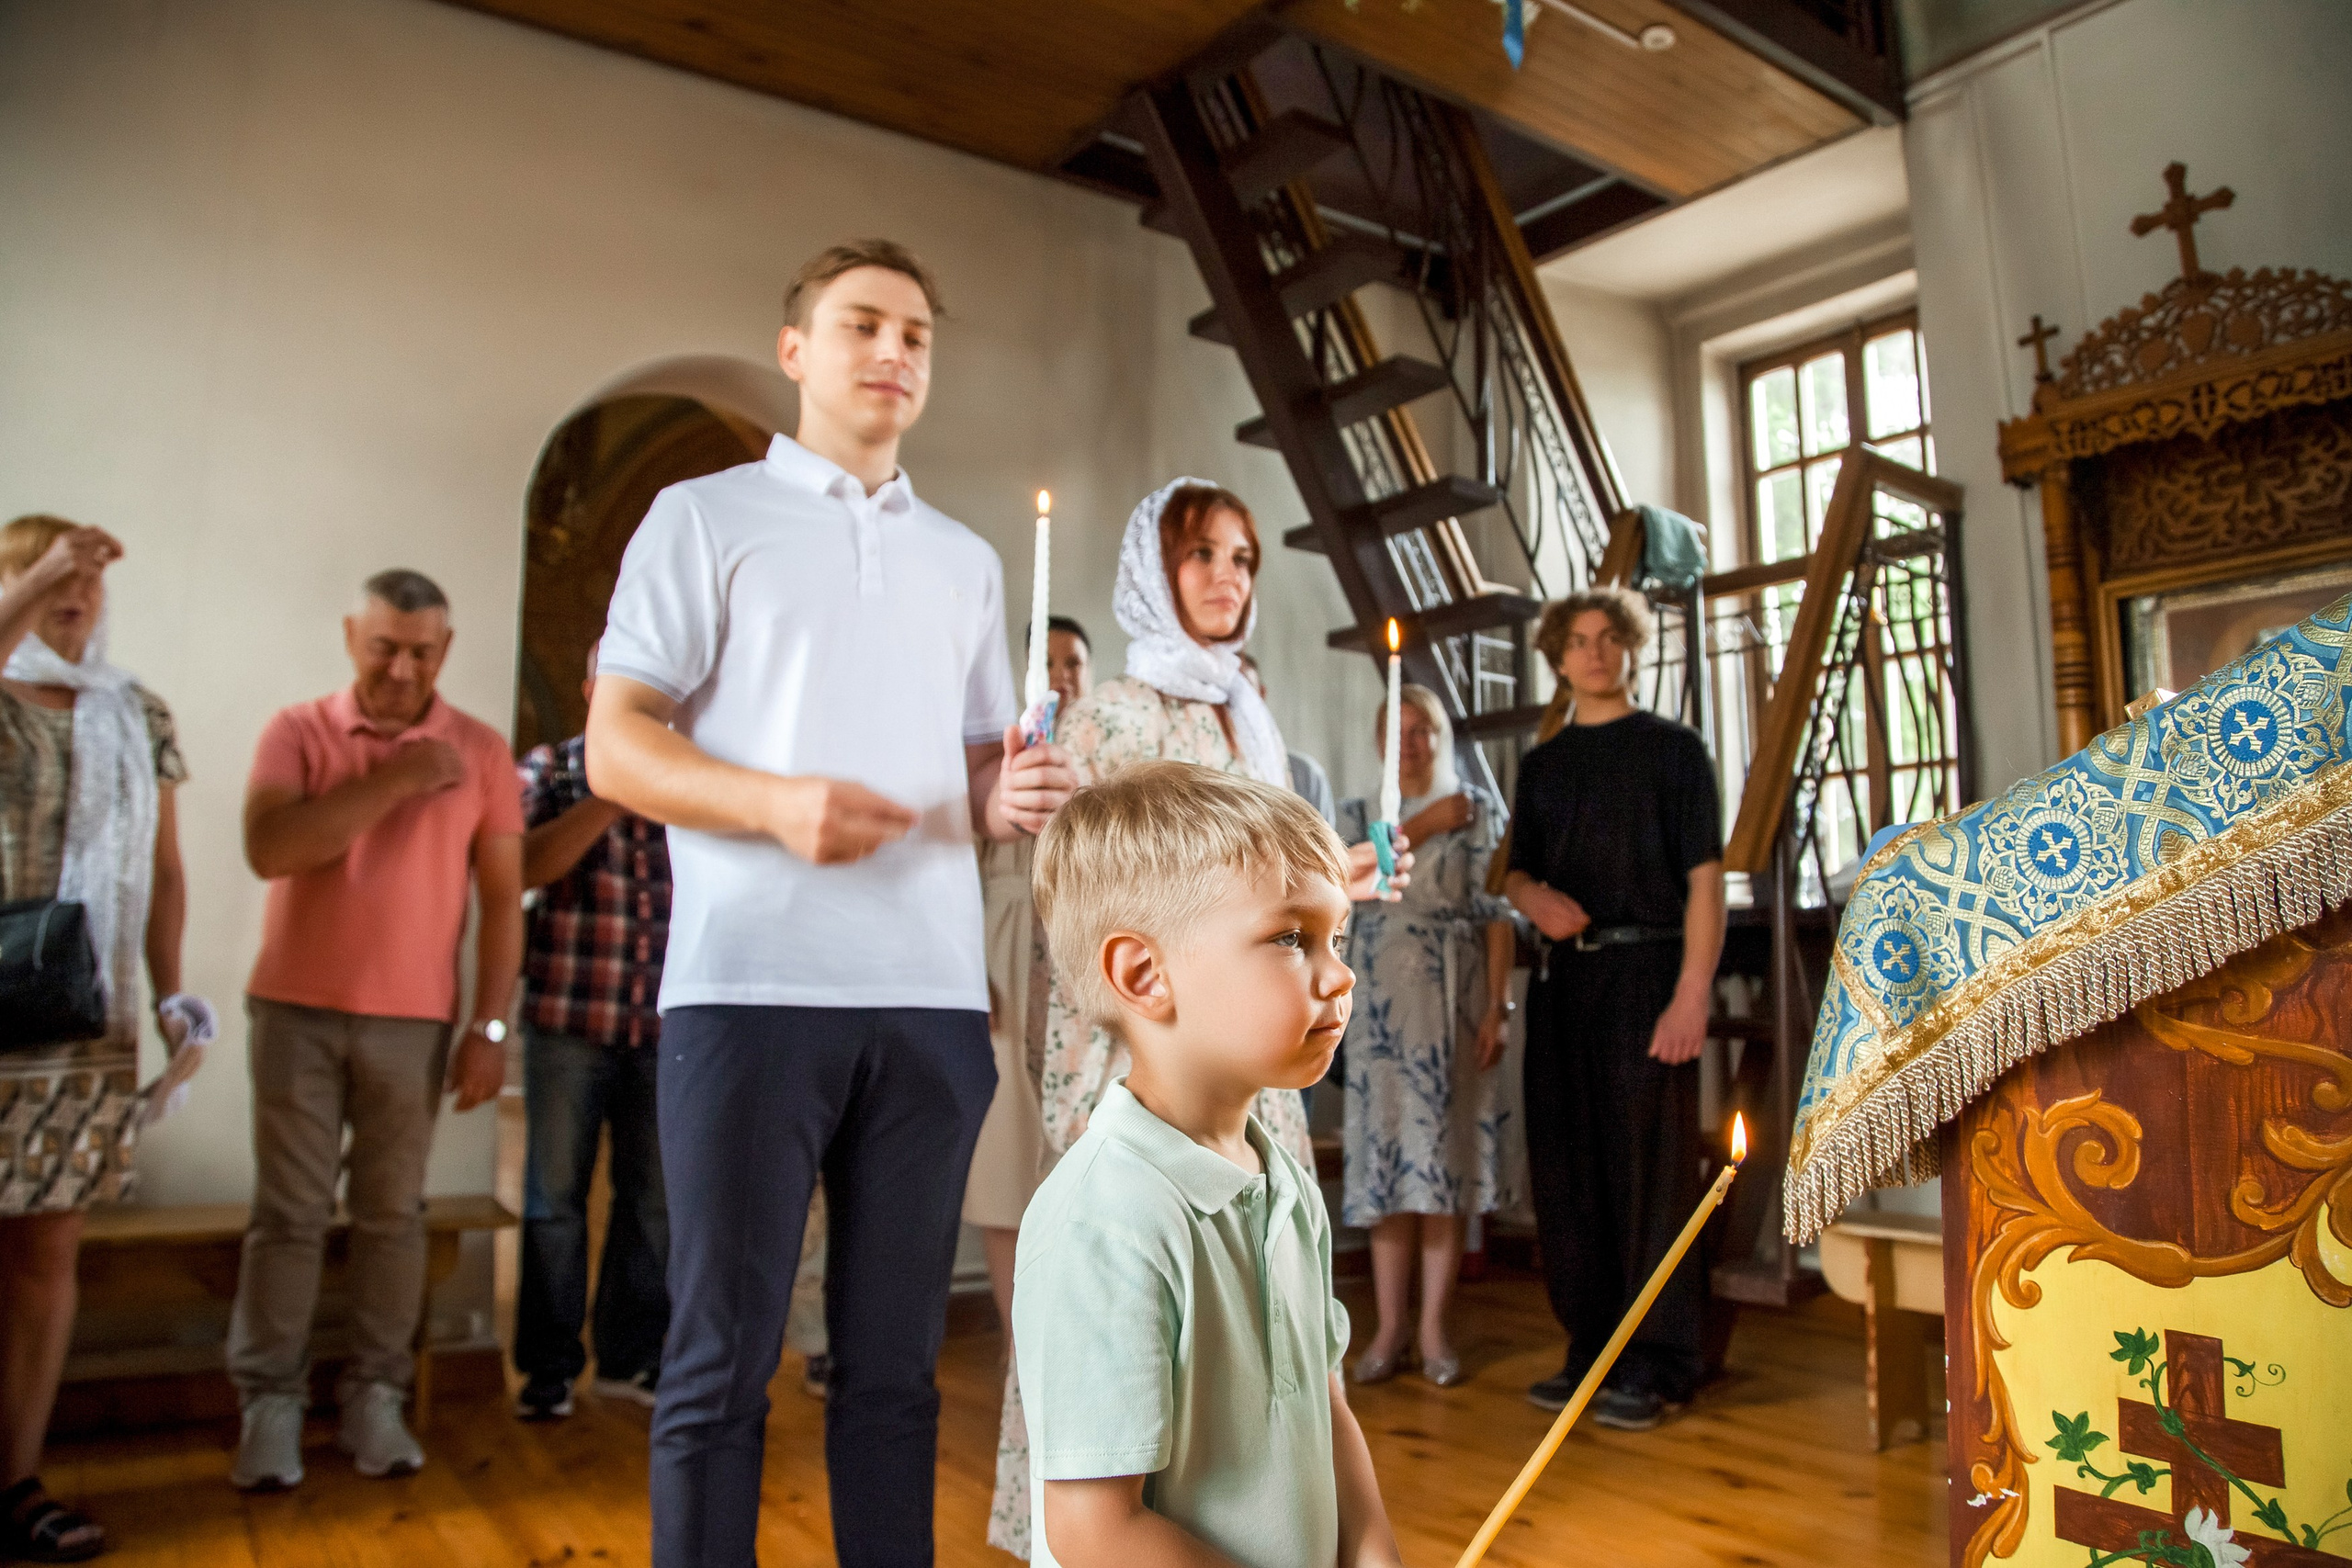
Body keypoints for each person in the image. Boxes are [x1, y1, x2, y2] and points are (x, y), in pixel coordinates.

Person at [584, 238, 1075, 1568]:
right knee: (721, 1364)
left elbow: (972, 774)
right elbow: (616, 746)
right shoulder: (703, 516)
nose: (894, 351)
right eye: (862, 324)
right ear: (796, 350)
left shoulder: (967, 559)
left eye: (916, 333)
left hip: (929, 1002)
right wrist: (772, 802)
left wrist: (1008, 795)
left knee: (897, 1373)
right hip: (751, 987)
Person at [992, 479, 1405, 1559]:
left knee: (1257, 1355)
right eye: (1202, 554)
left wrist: (1327, 894)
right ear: (1154, 572)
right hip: (1158, 1056)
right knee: (1149, 1354)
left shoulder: (1246, 707)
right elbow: (1108, 887)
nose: (1227, 576)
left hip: (1241, 1076)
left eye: (1243, 558)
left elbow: (1250, 893)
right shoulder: (1113, 712)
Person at [1015, 761, 1401, 1568]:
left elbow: (1326, 1406)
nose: (1340, 973)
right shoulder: (1103, 1218)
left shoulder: (1287, 1184)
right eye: (1291, 937)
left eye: (1337, 937)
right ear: (1145, 975)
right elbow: (1095, 1529)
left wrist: (1374, 1555)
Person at [228, 568, 524, 1488]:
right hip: (295, 1009)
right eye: (384, 647)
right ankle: (270, 1405)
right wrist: (396, 778)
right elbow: (272, 849)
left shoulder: (481, 750)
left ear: (447, 649)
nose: (402, 669)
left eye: (421, 652)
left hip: (415, 1022)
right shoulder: (296, 730)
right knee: (289, 1215)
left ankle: (376, 1397)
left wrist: (489, 1028)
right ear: (352, 637)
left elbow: (503, 900)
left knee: (393, 1217)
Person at [0, 516, 207, 1564]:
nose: (71, 591)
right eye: (45, 576)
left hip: (81, 1019)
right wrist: (38, 576)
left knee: (47, 1250)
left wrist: (172, 998)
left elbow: (164, 873)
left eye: (84, 578)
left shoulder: (137, 711)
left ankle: (14, 1481)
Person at [1504, 586, 1725, 1431]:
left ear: (1631, 648)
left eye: (1608, 638)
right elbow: (1516, 870)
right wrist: (1531, 896)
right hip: (1564, 984)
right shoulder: (1543, 765)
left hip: (1651, 975)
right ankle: (1591, 1349)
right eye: (1578, 640)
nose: (1594, 652)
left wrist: (1692, 992)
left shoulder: (1676, 750)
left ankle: (1660, 1360)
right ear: (1558, 658)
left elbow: (1705, 883)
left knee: (1652, 1176)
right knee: (1568, 1170)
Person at [1334, 684, 1519, 1389]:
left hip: (1451, 1005)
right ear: (1379, 740)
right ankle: (1388, 1328)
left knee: (1440, 1165)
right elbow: (1337, 890)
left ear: (1442, 737)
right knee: (1386, 1165)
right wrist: (1423, 823)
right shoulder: (1355, 815)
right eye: (1397, 731)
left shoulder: (1476, 809)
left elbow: (1497, 912)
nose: (1409, 744)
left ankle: (1436, 1328)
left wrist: (1498, 1007)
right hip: (1376, 1010)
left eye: (1423, 730)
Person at [512, 639, 671, 1421]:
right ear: (589, 689)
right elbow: (519, 866)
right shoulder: (550, 769)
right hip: (567, 1022)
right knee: (554, 1201)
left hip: (666, 1028)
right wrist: (611, 792)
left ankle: (629, 1358)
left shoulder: (689, 776)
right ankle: (547, 1370)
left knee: (654, 1205)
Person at [967, 613, 1092, 1342]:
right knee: (1005, 1164)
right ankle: (1020, 1344)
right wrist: (969, 968)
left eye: (1074, 663)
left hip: (1080, 962)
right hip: (1006, 955)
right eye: (1048, 663)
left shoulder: (1106, 754)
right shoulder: (1002, 753)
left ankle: (1076, 1341)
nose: (1063, 676)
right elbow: (962, 863)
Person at [1236, 649, 1335, 827]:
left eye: (1247, 692)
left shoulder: (1306, 774)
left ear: (1262, 694)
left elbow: (1327, 839)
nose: (1237, 706)